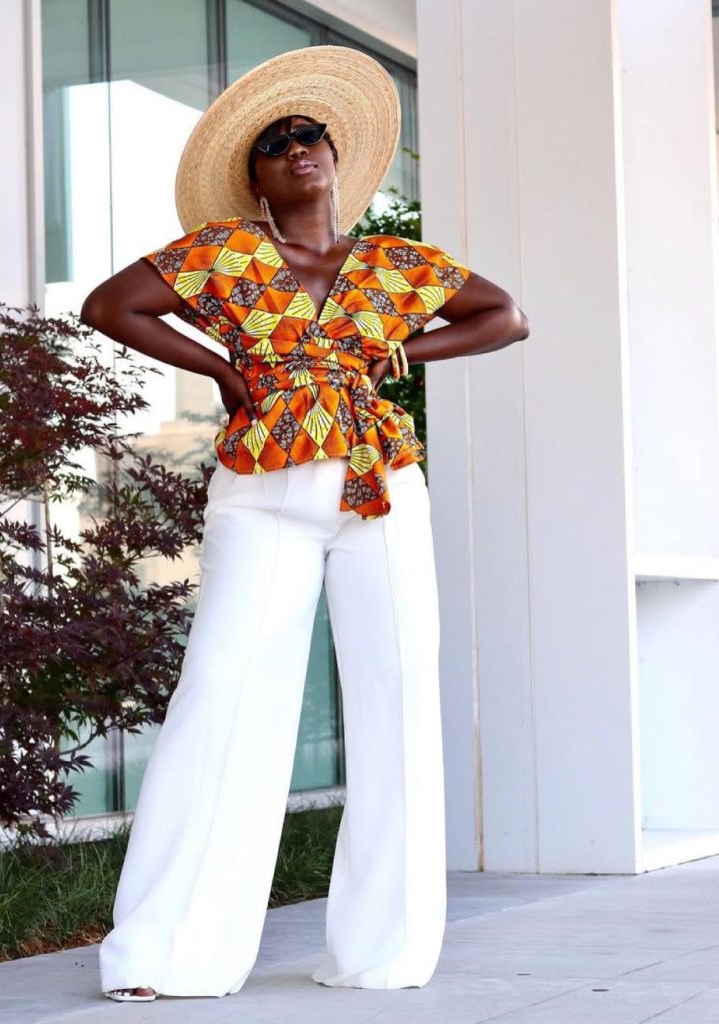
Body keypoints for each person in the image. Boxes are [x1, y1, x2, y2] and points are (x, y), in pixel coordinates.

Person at [80, 45, 528, 1004]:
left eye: (309, 135)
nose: (297, 148)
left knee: (400, 701)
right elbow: (109, 305)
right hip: (264, 492)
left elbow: (506, 316)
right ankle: (165, 953)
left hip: (381, 490)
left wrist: (404, 350)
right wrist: (219, 368)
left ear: (334, 154)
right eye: (276, 143)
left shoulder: (396, 265)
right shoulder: (228, 254)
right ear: (257, 179)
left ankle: (384, 951)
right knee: (223, 696)